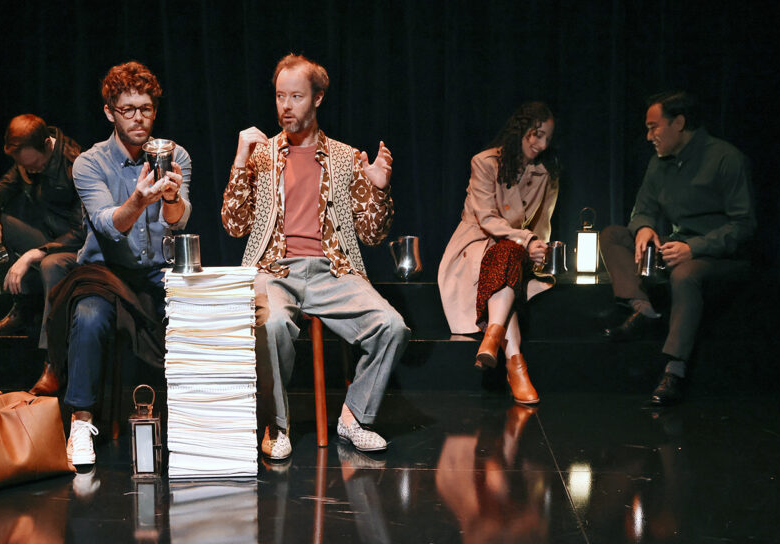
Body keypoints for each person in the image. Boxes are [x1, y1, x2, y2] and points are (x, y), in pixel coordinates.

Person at [221, 53, 408, 459]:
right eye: (279, 96)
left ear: (318, 98)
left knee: (391, 326)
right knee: (268, 326)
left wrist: (378, 187)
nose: (285, 107)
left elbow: (373, 235)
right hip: (274, 269)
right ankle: (277, 424)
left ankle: (354, 418)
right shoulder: (260, 154)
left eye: (296, 97)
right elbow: (234, 225)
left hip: (333, 270)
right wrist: (239, 162)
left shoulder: (345, 156)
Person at [49, 61, 191, 467]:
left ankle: (186, 420)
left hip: (158, 271)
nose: (138, 118)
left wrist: (169, 198)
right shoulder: (90, 163)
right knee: (90, 318)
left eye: (146, 108)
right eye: (128, 109)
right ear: (109, 111)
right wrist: (138, 200)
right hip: (104, 273)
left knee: (191, 317)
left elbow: (179, 220)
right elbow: (108, 227)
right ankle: (81, 423)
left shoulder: (174, 154)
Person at [600, 90, 755, 405]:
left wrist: (694, 247)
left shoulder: (726, 158)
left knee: (684, 275)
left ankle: (674, 369)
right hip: (675, 247)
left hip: (717, 255)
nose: (649, 136)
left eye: (654, 127)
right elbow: (642, 208)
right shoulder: (660, 164)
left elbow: (744, 225)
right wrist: (643, 227)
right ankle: (641, 308)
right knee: (614, 235)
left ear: (680, 122)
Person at [436, 101, 560, 405]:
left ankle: (493, 338)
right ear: (520, 131)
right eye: (536, 135)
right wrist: (526, 239)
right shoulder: (485, 162)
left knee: (508, 256)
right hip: (476, 246)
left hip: (517, 250)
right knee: (505, 258)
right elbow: (488, 219)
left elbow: (542, 224)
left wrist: (537, 248)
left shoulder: (547, 172)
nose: (541, 144)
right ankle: (516, 365)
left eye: (546, 138)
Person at [0, 114, 86, 394]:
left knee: (49, 264)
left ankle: (53, 364)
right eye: (23, 166)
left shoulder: (76, 164)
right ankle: (23, 307)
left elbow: (83, 230)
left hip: (76, 248)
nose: (30, 171)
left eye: (33, 164)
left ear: (47, 147)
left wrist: (34, 253)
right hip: (47, 239)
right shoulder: (27, 159)